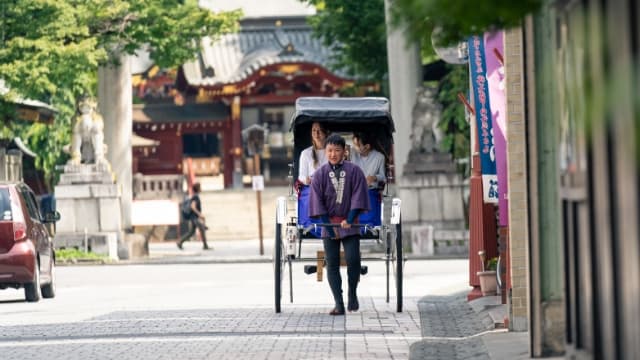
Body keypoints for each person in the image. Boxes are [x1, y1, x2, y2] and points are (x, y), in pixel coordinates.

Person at [309, 134, 370, 315]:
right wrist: (329, 225)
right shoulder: (319, 175)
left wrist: (349, 220)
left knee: (353, 259)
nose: (333, 154)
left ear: (345, 151)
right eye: (329, 150)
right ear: (325, 152)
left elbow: (359, 197)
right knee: (332, 263)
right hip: (329, 223)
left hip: (349, 222)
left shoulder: (355, 171)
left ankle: (352, 294)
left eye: (337, 150)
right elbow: (317, 203)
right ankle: (338, 303)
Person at [177, 182, 210, 250]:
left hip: (194, 217)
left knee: (191, 232)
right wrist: (199, 214)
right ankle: (205, 245)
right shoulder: (196, 197)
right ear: (198, 189)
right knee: (202, 230)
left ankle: (180, 242)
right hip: (195, 217)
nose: (201, 189)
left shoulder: (195, 196)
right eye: (200, 187)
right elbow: (193, 206)